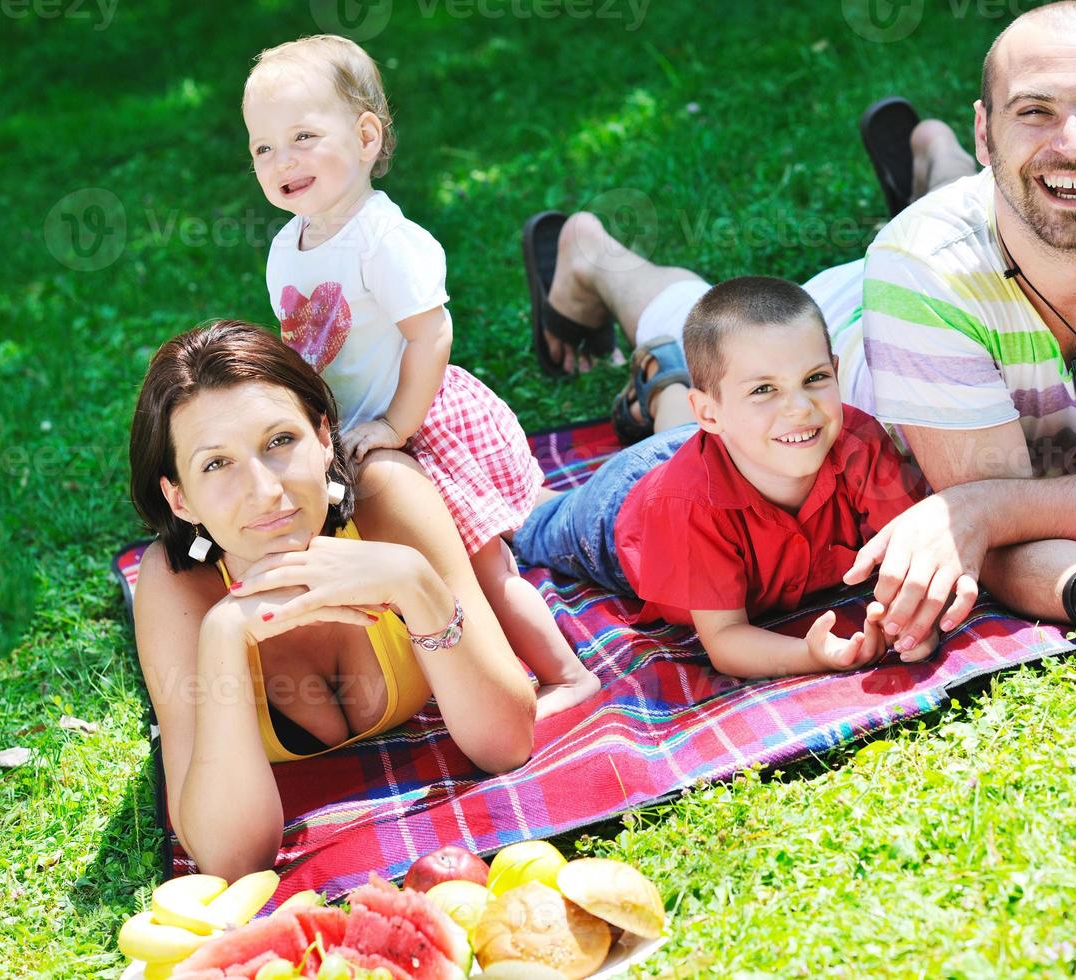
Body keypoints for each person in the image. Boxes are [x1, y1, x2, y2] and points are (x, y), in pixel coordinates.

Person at [523, 3, 1076, 647]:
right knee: (707, 349)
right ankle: (595, 256)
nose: (1075, 140)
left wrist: (981, 504)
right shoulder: (919, 270)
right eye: (1035, 111)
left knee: (1047, 196)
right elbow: (995, 540)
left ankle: (933, 157)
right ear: (990, 133)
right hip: (847, 347)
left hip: (965, 265)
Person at [244, 35, 598, 716]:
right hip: (364, 432)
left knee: (480, 570)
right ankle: (458, 666)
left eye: (303, 136)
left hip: (423, 420)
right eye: (263, 147)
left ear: (367, 136)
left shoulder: (383, 238)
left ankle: (564, 674)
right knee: (410, 564)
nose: (281, 159)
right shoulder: (286, 248)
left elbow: (430, 333)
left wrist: (395, 425)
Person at [128, 321, 537, 880]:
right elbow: (231, 859)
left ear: (324, 438)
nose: (265, 490)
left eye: (279, 442)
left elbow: (508, 743)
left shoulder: (387, 498)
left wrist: (414, 581)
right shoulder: (177, 588)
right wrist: (224, 635)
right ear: (179, 498)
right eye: (216, 464)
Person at [513, 276, 931, 678]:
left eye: (815, 378)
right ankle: (662, 387)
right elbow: (727, 640)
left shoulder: (859, 444)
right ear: (710, 412)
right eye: (764, 389)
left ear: (835, 372)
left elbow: (914, 556)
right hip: (622, 511)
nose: (800, 408)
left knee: (690, 438)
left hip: (732, 440)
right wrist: (811, 653)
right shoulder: (687, 506)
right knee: (524, 521)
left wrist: (912, 628)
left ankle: (666, 382)